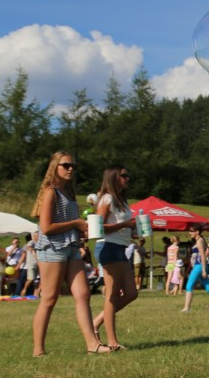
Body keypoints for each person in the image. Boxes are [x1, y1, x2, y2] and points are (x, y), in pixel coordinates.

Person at [30, 152, 110, 355]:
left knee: (83, 294)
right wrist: (75, 223)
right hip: (52, 248)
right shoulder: (51, 192)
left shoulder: (69, 192)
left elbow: (65, 223)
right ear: (54, 167)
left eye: (73, 165)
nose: (70, 169)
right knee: (49, 298)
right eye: (65, 165)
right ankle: (38, 350)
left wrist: (81, 230)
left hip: (72, 246)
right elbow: (46, 227)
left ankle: (93, 345)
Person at [92, 166, 139, 351]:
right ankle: (112, 342)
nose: (128, 178)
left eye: (128, 175)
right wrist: (125, 224)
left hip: (120, 247)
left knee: (131, 293)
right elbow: (98, 227)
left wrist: (131, 230)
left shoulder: (121, 200)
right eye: (124, 175)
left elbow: (118, 225)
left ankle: (96, 323)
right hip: (108, 247)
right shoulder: (107, 198)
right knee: (112, 295)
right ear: (113, 177)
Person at [181, 226, 209, 312]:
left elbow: (203, 256)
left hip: (199, 266)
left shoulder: (200, 241)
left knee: (189, 286)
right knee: (208, 287)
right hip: (201, 266)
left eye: (191, 231)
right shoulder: (199, 240)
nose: (189, 233)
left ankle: (186, 308)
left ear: (197, 232)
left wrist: (204, 270)